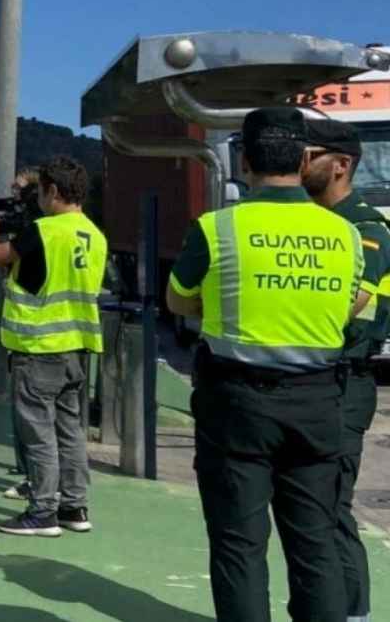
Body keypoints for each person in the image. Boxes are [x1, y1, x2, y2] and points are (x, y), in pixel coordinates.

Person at [167, 107, 365, 622]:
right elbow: (348, 307)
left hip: (237, 407)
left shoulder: (215, 229)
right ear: (303, 160)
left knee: (239, 545)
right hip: (320, 404)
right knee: (315, 542)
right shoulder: (344, 235)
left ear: (244, 160)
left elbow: (179, 300)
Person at [0, 156, 106, 537]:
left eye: (38, 191)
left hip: (38, 347)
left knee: (39, 433)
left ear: (53, 191)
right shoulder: (94, 235)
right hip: (76, 349)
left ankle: (42, 512)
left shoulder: (44, 231)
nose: (36, 199)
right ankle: (74, 506)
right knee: (69, 431)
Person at [301, 118, 390, 622]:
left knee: (331, 511)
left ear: (340, 164)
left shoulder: (365, 228)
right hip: (318, 381)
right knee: (309, 511)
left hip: (345, 383)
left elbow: (353, 302)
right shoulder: (320, 224)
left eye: (309, 154)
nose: (300, 162)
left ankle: (352, 614)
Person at [4, 166, 41, 500]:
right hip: (47, 338)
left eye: (21, 192)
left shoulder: (38, 231)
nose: (14, 197)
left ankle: (37, 486)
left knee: (32, 419)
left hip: (33, 339)